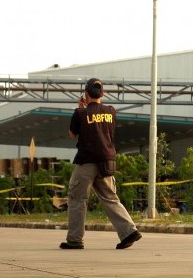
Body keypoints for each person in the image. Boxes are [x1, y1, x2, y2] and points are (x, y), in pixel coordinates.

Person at [60, 77, 142, 250]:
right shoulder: (111, 111)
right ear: (102, 94)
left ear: (85, 94)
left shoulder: (80, 113)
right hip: (107, 162)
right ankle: (129, 231)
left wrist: (81, 108)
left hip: (86, 162)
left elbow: (72, 134)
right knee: (110, 198)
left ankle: (75, 240)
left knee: (77, 199)